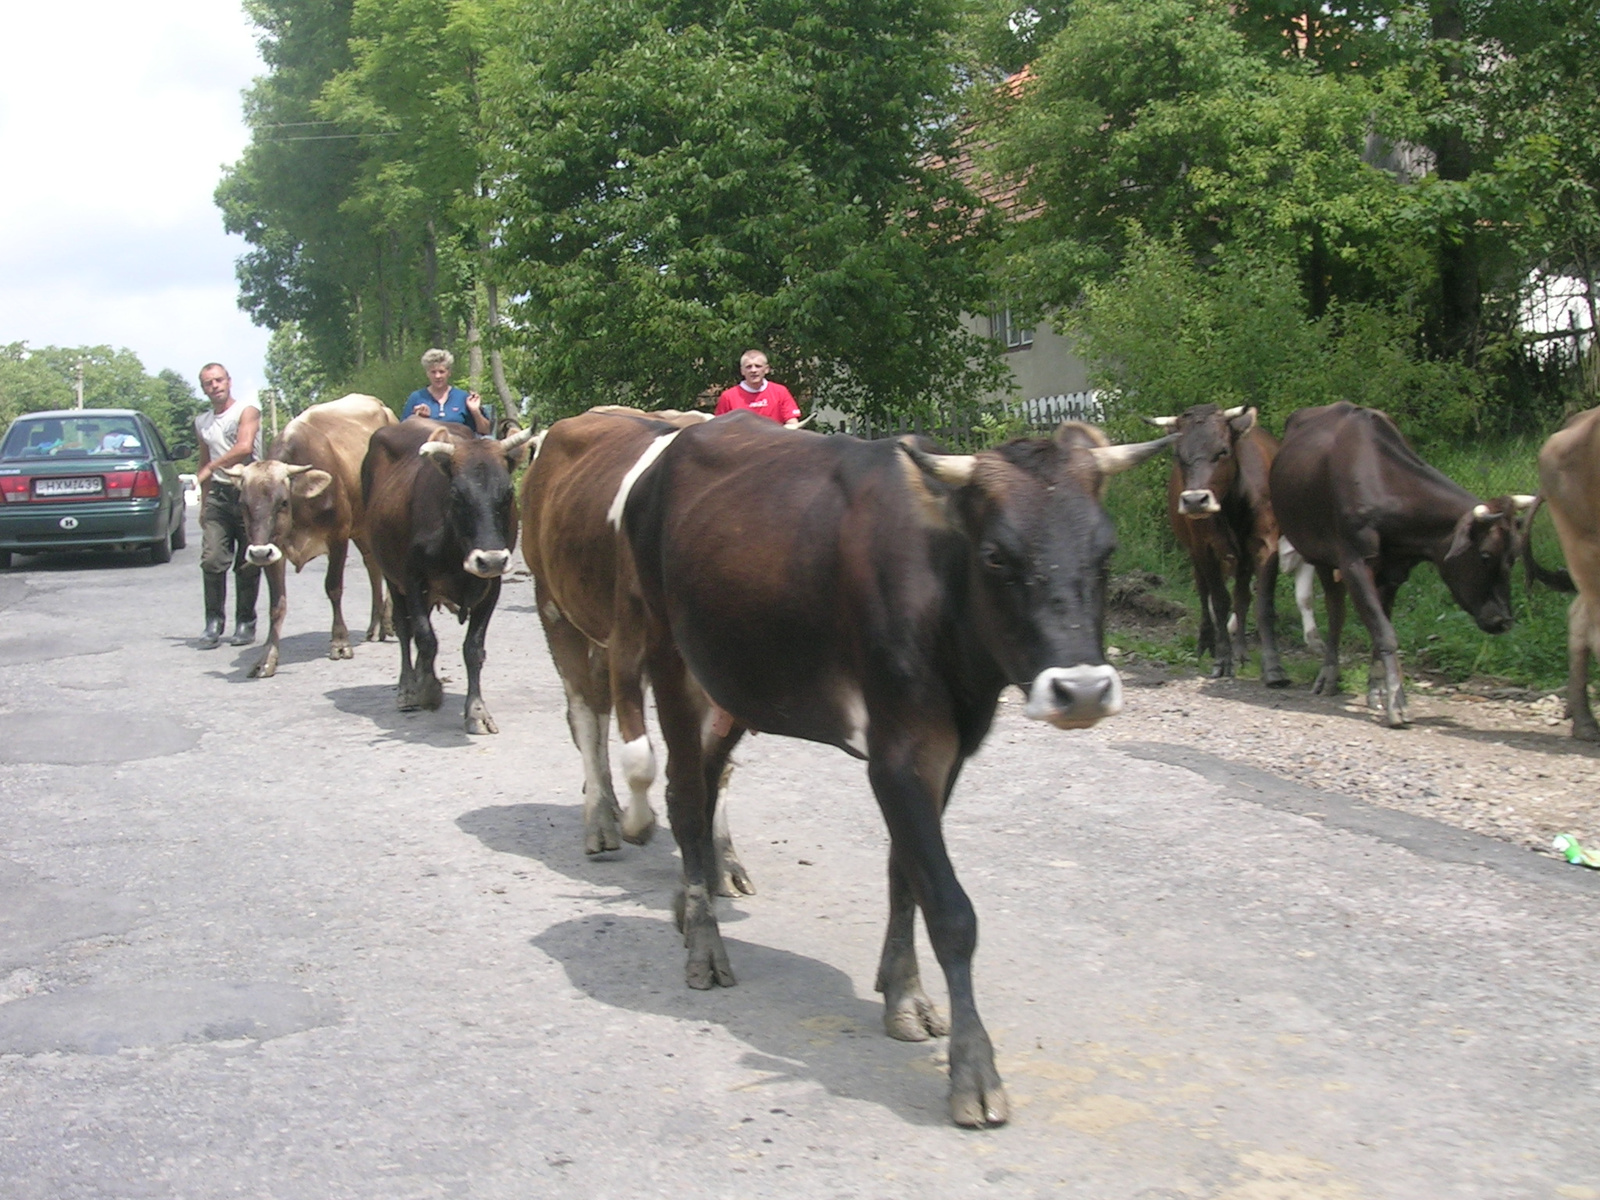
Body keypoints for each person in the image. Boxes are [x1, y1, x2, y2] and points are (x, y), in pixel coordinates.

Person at [193, 362, 263, 649]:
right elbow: (203, 459)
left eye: (219, 380)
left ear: (229, 381)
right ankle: (213, 622)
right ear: (204, 388)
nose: (215, 386)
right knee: (212, 558)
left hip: (249, 492)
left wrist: (212, 467)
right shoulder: (202, 422)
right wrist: (203, 501)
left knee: (248, 562)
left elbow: (245, 447)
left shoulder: (247, 411)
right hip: (219, 496)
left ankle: (245, 622)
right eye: (209, 383)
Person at [405, 348, 490, 434]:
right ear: (427, 373)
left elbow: (486, 431)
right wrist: (417, 419)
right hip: (426, 444)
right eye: (433, 372)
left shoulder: (463, 398)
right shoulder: (417, 397)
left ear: (449, 373)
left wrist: (475, 411)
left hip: (459, 444)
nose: (437, 376)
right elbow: (403, 432)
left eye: (441, 372)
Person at [714, 350, 802, 427]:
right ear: (742, 371)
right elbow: (720, 426)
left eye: (758, 366)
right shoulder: (728, 396)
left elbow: (792, 423)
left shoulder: (780, 391)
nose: (753, 370)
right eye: (749, 367)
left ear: (766, 369)